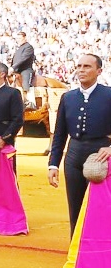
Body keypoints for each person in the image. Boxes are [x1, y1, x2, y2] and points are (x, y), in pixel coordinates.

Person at [48, 54, 111, 236]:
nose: (81, 70)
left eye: (87, 66)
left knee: (100, 207)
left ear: (99, 71)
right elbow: (59, 134)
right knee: (74, 205)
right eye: (79, 66)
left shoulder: (109, 95)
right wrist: (53, 164)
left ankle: (101, 251)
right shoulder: (68, 97)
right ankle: (76, 251)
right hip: (73, 155)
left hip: (100, 156)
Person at [10, 31, 36, 109]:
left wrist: (13, 67)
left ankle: (31, 103)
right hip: (16, 70)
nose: (18, 40)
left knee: (26, 84)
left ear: (25, 38)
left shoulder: (28, 47)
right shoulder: (18, 49)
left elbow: (23, 59)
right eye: (17, 38)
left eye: (20, 38)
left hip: (26, 69)